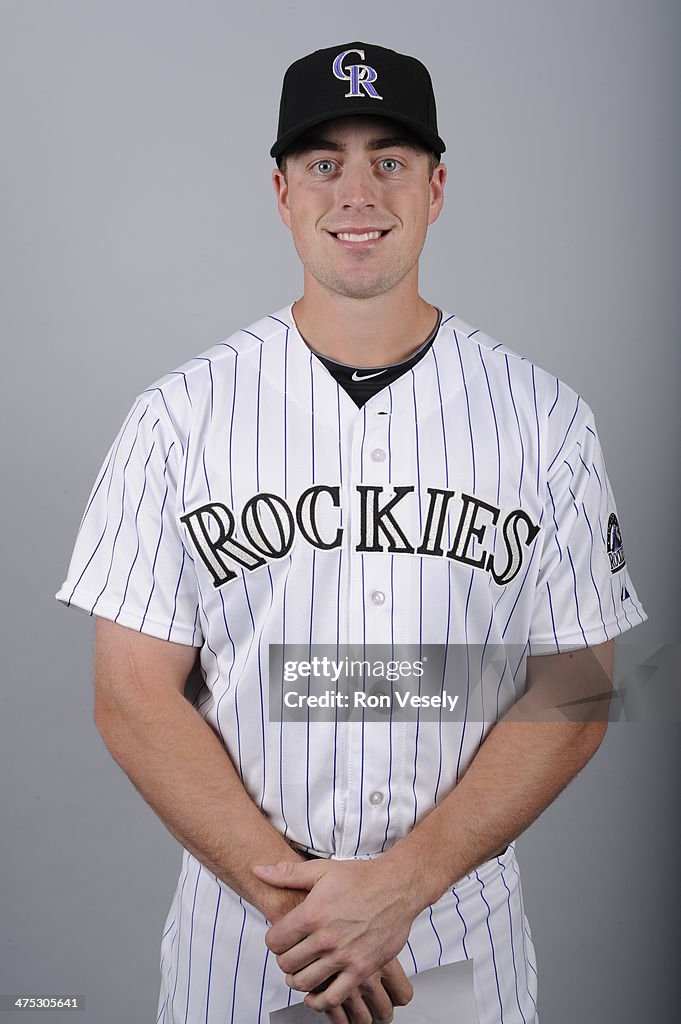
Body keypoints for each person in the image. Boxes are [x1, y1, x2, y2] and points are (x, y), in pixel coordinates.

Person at [56, 41, 647, 1024]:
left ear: (438, 186)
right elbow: (129, 695)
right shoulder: (180, 416)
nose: (358, 189)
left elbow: (580, 681)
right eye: (325, 162)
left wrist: (404, 883)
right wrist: (314, 917)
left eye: (391, 158)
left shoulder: (544, 421)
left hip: (458, 940)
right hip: (248, 948)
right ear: (282, 191)